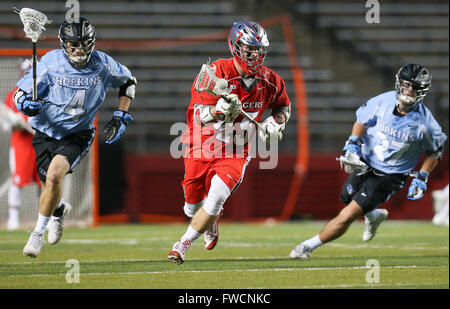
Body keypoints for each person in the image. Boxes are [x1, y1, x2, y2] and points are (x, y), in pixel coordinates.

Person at [290, 64, 447, 259]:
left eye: (414, 88)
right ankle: (373, 215)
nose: (408, 91)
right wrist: (353, 143)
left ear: (422, 92)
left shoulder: (426, 123)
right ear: (399, 83)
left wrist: (422, 177)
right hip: (366, 160)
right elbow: (362, 120)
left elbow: (435, 151)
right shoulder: (383, 101)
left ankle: (307, 247)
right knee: (345, 197)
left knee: (348, 214)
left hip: (390, 174)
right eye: (406, 85)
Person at [168, 21, 291, 265]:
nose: (255, 55)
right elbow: (199, 116)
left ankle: (182, 243)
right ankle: (210, 224)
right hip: (202, 142)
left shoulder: (270, 80)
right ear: (235, 46)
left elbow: (284, 107)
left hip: (236, 149)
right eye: (250, 49)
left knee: (215, 198)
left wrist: (276, 122)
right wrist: (219, 110)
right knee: (191, 207)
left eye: (259, 50)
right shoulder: (216, 73)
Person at [16, 17, 136, 258]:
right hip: (45, 131)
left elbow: (129, 82)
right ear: (64, 44)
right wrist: (26, 104)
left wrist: (121, 115)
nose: (79, 49)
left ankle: (37, 234)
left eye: (83, 44)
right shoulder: (51, 62)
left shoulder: (103, 64)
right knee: (49, 186)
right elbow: (22, 92)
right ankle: (58, 211)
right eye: (74, 44)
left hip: (77, 133)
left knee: (54, 175)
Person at [2, 59, 41, 231]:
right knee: (17, 180)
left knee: (46, 180)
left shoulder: (46, 93)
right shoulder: (13, 94)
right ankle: (14, 218)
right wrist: (14, 123)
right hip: (21, 144)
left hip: (42, 142)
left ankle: (45, 218)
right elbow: (5, 124)